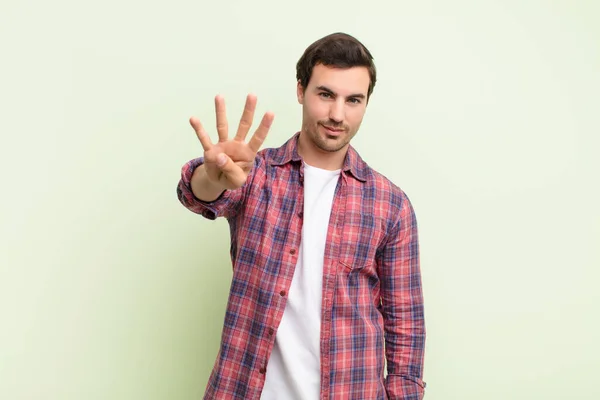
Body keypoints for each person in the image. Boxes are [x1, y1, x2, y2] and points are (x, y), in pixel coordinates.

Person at [177, 32, 426, 400]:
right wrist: (210, 176)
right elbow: (198, 196)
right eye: (325, 94)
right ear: (300, 90)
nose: (337, 114)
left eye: (353, 100)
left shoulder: (390, 205)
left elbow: (406, 327)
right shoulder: (256, 174)